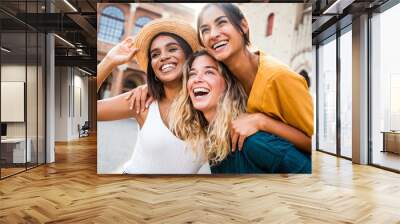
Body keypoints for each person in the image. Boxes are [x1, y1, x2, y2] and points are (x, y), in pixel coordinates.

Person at [196, 3, 314, 154]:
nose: (213, 35)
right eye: (205, 30)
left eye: (222, 22)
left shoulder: (279, 77)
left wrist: (262, 122)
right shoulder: (222, 82)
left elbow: (315, 145)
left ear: (243, 26)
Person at [97, 19, 210, 174]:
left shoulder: (209, 105)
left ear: (189, 55)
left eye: (172, 49)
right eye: (155, 54)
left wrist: (256, 120)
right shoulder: (142, 102)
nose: (163, 57)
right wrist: (109, 61)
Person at [169, 50, 311, 173]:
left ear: (228, 84)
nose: (197, 79)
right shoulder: (215, 146)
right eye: (192, 74)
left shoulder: (254, 142)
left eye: (209, 72)